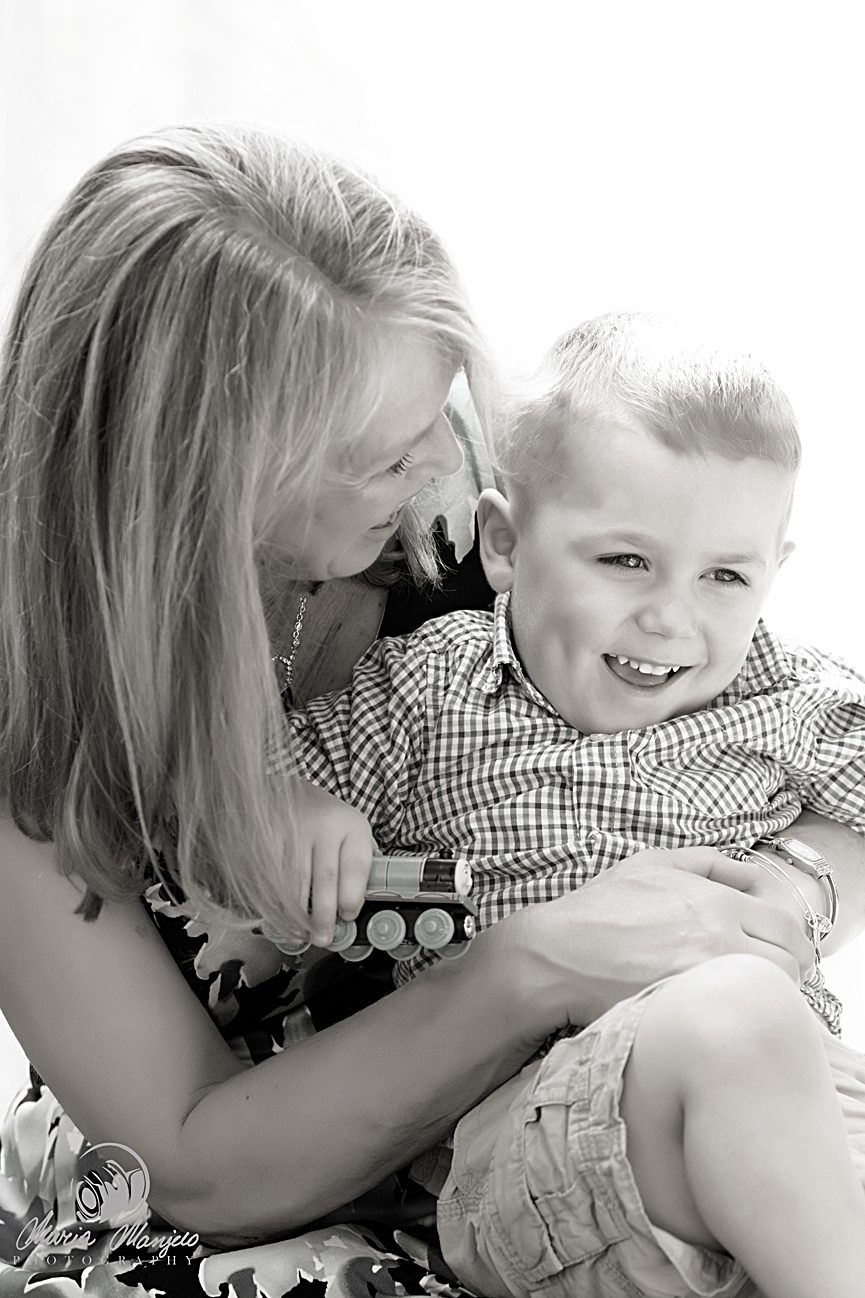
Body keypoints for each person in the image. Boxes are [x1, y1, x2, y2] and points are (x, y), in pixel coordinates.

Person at [5, 127, 849, 1298]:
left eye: (436, 417)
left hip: (575, 1126)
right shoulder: (36, 717)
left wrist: (800, 883)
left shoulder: (471, 521)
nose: (437, 468)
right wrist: (534, 963)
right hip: (235, 1218)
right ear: (202, 471)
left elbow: (771, 717)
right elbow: (192, 1166)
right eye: (376, 454)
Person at [285, 313, 865, 1297]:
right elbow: (230, 786)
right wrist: (296, 804)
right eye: (625, 560)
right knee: (737, 1012)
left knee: (767, 1050)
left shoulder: (784, 695)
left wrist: (798, 893)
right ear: (504, 543)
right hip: (525, 1144)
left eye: (725, 575)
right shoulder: (431, 690)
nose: (670, 615)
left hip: (780, 1119)